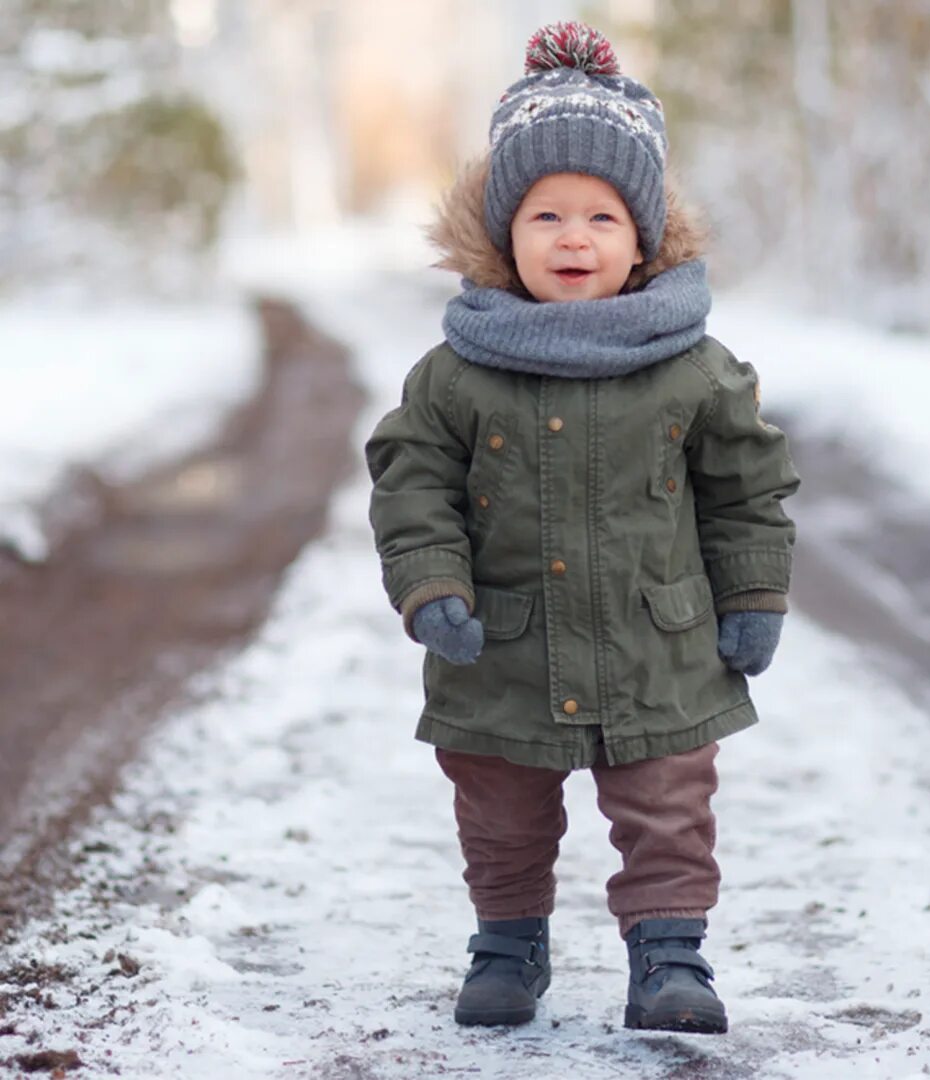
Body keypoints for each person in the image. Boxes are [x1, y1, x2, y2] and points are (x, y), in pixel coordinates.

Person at [366, 20, 799, 1034]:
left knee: (668, 810)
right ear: (501, 233)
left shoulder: (692, 363)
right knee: (501, 811)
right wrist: (433, 583)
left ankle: (670, 957)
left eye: (601, 217)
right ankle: (508, 942)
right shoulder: (459, 369)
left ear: (643, 236)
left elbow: (745, 486)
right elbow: (410, 478)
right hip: (503, 644)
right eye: (546, 214)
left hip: (662, 644)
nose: (573, 238)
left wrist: (753, 596)